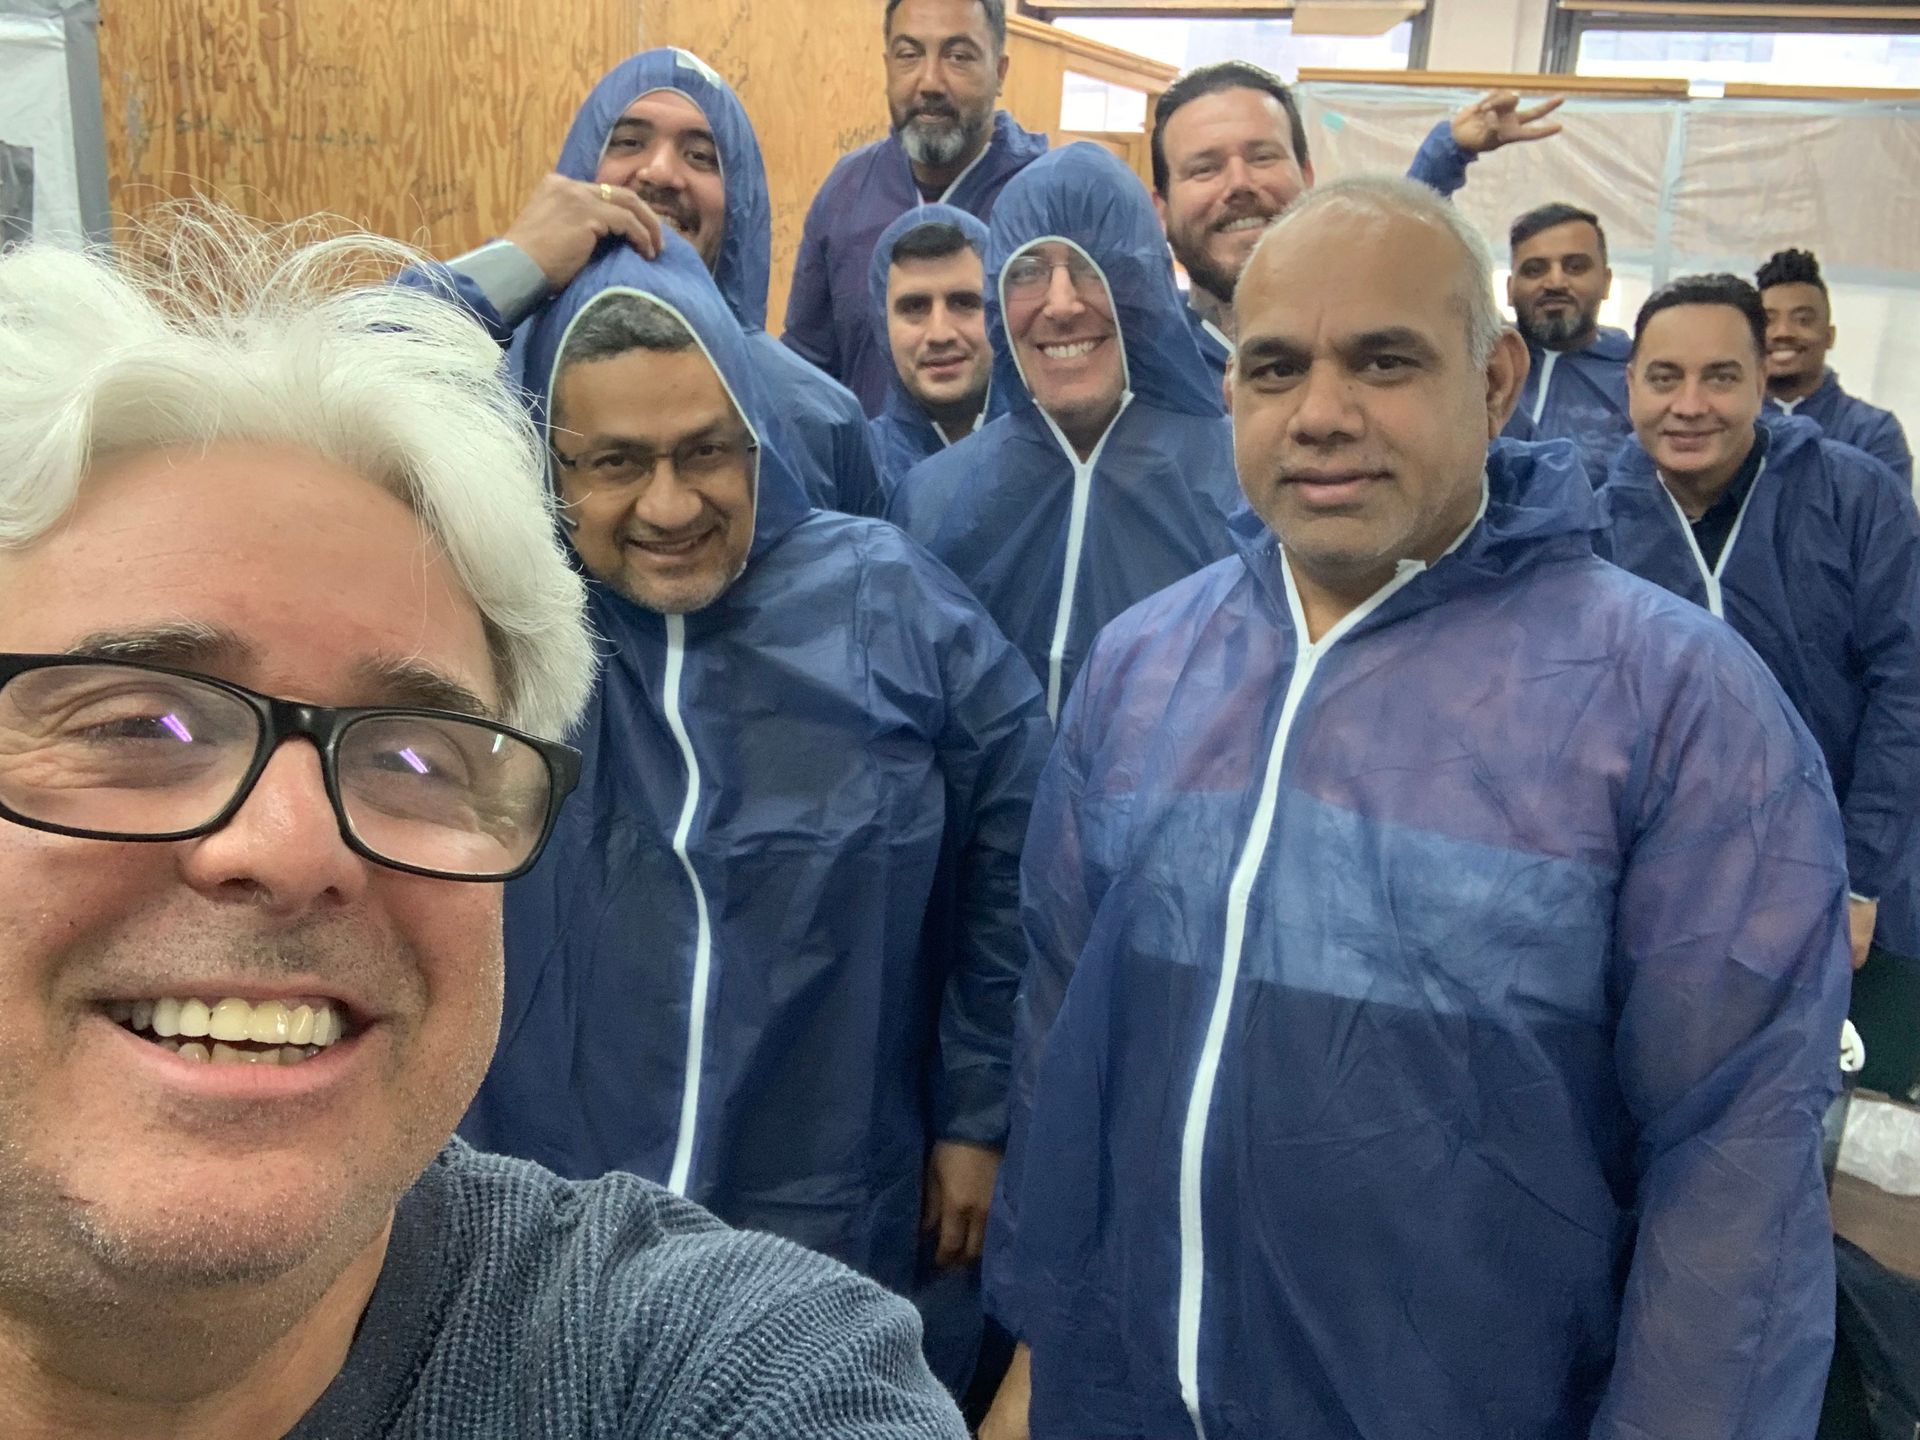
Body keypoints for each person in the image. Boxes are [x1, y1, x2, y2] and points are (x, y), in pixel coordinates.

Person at [0, 214, 968, 1438]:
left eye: (414, 754)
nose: (296, 847)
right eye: (141, 728)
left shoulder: (691, 1365)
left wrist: (974, 1115)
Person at [981, 176, 1851, 1440]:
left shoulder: (1673, 705)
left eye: (1383, 361)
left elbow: (1733, 1187)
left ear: (1496, 380)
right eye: (1275, 369)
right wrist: (1037, 1357)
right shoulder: (1145, 668)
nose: (1322, 415)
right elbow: (1068, 1051)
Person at [459, 229, 1052, 1403]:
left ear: (758, 441)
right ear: (547, 467)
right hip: (549, 1186)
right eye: (615, 461)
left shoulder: (883, 601)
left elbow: (1022, 846)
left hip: (827, 1187)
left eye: (706, 451)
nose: (670, 504)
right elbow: (320, 394)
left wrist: (978, 1115)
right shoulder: (502, 621)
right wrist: (511, 266)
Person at [1599, 272, 1920, 1103]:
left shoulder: (1854, 497)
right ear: (1630, 381)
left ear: (1761, 382)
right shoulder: (1597, 513)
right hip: (1664, 886)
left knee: (1832, 1110)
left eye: (1721, 376)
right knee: (1675, 1105)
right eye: (1665, 377)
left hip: (1846, 871)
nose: (1690, 404)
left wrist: (1859, 878)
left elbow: (1907, 687)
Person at [437, 48, 885, 516]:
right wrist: (514, 263)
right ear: (581, 170)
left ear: (739, 208)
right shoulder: (479, 375)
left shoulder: (820, 419)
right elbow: (361, 384)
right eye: (629, 142)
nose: (661, 174)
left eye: (700, 156)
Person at [888, 142, 1244, 721]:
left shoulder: (1238, 489)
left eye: (1090, 265)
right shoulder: (932, 502)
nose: (1060, 303)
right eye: (1028, 271)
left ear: (1142, 285)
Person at [1150, 61, 1566, 379]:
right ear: (1160, 209)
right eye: (1204, 168)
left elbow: (1389, 240)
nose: (1239, 183)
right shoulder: (1141, 360)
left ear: (1307, 178)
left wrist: (1447, 153)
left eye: (1263, 157)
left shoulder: (1396, 335)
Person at [786, 0, 1046, 416]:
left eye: (958, 56)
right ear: (888, 65)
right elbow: (806, 370)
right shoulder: (845, 193)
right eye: (909, 55)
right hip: (868, 479)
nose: (929, 82)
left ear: (999, 72)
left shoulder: (1046, 196)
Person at [1500, 201, 1633, 485]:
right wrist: (1449, 157)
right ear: (1510, 289)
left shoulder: (1637, 375)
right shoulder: (1481, 361)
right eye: (1535, 270)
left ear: (1606, 281)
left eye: (1575, 267)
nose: (1556, 282)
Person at [1756, 247, 1913, 487]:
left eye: (1803, 320)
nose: (1783, 332)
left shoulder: (1873, 431)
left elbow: (1889, 521)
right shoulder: (1729, 425)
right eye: (1768, 320)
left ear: (1830, 336)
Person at [868, 204, 994, 493]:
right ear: (882, 322)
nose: (940, 334)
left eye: (964, 303)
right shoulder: (857, 476)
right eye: (914, 307)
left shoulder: (1060, 463)